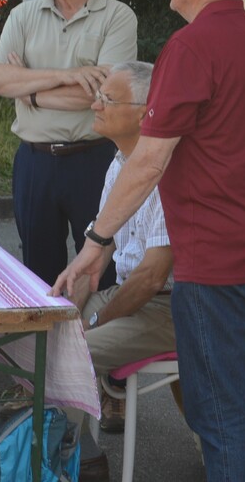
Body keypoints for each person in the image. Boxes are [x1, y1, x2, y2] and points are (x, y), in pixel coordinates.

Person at [54, 0, 245, 481]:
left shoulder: (190, 49)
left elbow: (147, 159)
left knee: (223, 414)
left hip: (217, 262)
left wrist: (96, 241)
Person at [0, 0, 137, 287]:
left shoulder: (118, 17)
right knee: (37, 274)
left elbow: (101, 96)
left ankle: (95, 345)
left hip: (95, 162)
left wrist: (28, 90)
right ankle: (43, 347)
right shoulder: (23, 15)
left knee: (100, 271)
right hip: (34, 162)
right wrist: (66, 75)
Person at [66, 61, 174, 438]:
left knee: (72, 354)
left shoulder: (166, 173)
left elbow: (151, 278)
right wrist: (67, 307)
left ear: (146, 115)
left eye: (107, 99)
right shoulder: (119, 165)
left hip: (166, 307)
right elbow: (97, 250)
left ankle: (59, 460)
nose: (95, 105)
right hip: (130, 297)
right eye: (97, 96)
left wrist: (95, 321)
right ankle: (71, 458)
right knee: (52, 335)